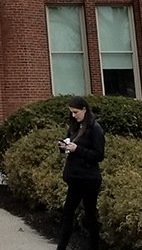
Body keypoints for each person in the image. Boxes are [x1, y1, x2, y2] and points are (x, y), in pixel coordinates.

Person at [54, 95, 106, 250]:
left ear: (84, 110)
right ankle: (61, 247)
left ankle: (93, 246)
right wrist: (64, 147)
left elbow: (99, 155)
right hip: (75, 178)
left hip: (89, 178)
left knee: (90, 216)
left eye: (76, 112)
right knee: (67, 213)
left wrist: (78, 149)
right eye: (71, 112)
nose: (73, 115)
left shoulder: (95, 129)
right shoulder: (74, 128)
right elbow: (70, 145)